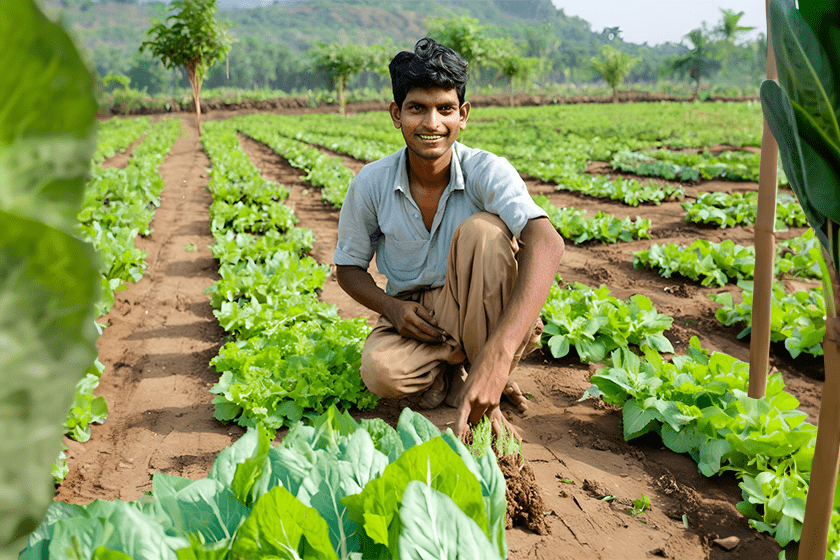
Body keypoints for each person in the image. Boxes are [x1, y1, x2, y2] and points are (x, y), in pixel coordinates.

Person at [333, 37, 564, 439]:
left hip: (481, 302)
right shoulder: (370, 182)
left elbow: (547, 241)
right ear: (396, 113)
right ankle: (452, 370)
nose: (431, 123)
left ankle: (484, 369)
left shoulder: (486, 170)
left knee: (484, 233)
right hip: (417, 316)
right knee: (380, 373)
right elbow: (349, 267)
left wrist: (499, 353)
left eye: (445, 109)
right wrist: (390, 307)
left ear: (463, 114)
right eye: (417, 109)